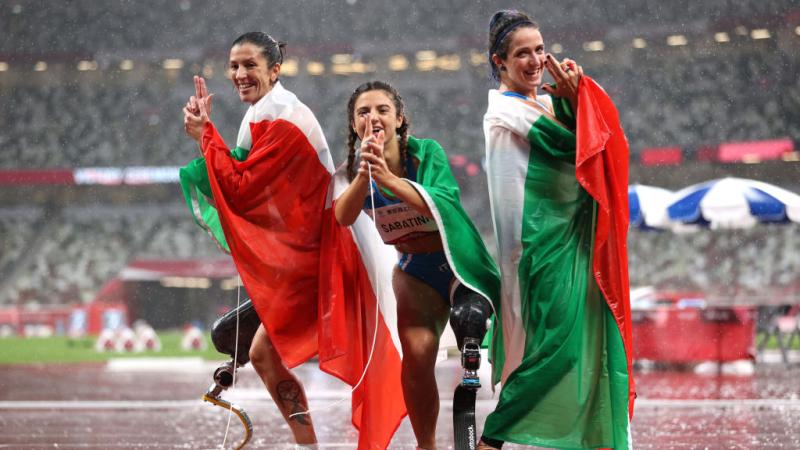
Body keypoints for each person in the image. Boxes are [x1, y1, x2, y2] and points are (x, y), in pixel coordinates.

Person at [181, 33, 406, 449]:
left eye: (250, 65)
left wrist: (204, 135)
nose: (240, 74)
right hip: (307, 252)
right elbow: (242, 180)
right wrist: (207, 136)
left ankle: (315, 443)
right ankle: (308, 444)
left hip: (321, 254)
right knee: (265, 353)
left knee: (276, 353)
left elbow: (243, 188)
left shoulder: (283, 116)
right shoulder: (260, 115)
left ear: (274, 70)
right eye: (234, 66)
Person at [478, 10, 635, 450]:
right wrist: (577, 97)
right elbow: (577, 148)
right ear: (499, 63)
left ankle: (598, 439)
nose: (534, 60)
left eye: (540, 50)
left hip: (575, 243)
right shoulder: (504, 111)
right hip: (539, 250)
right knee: (558, 351)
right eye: (522, 53)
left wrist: (570, 99)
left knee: (592, 345)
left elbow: (587, 142)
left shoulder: (540, 104)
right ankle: (491, 440)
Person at [334, 81, 500, 450]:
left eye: (381, 109)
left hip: (457, 263)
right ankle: (426, 445)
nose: (372, 117)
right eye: (363, 112)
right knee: (418, 355)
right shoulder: (353, 170)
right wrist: (365, 174)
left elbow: (438, 201)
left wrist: (389, 178)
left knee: (470, 322)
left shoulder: (426, 153)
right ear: (353, 124)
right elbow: (342, 216)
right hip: (413, 270)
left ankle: (475, 366)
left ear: (399, 119)